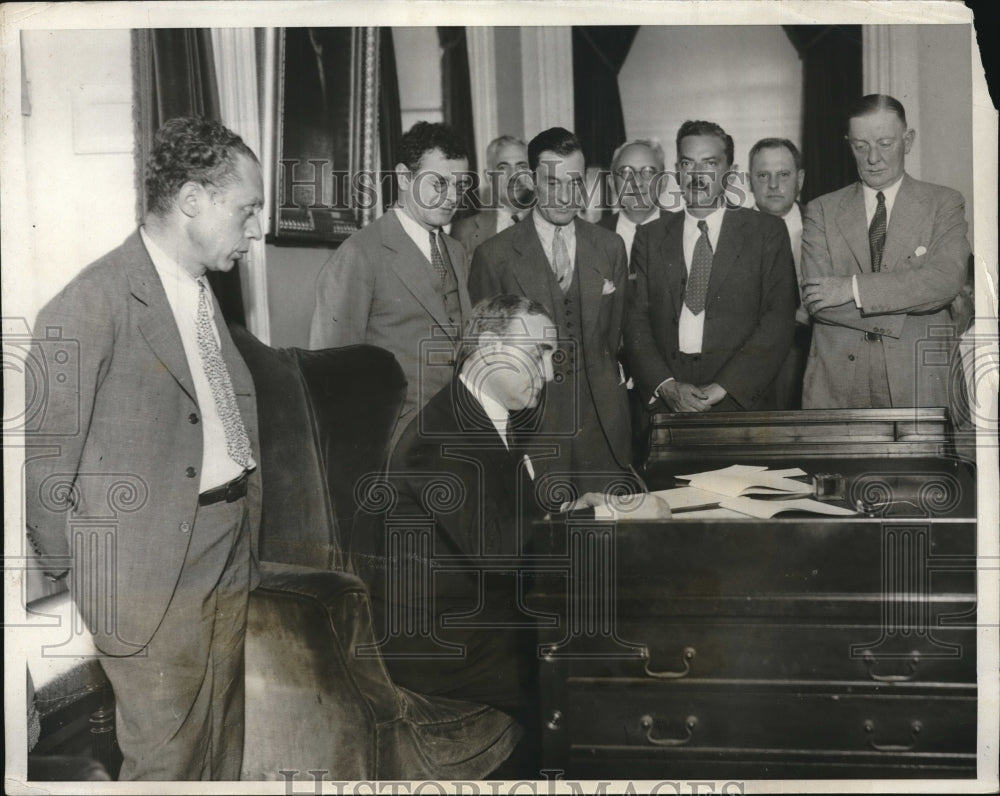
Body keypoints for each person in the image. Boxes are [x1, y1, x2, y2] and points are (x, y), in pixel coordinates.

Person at [24, 117, 264, 780]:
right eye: (245, 211)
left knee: (221, 749)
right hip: (147, 579)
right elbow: (47, 471)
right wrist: (100, 588)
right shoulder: (87, 305)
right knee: (166, 763)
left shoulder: (200, 290)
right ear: (193, 200)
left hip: (226, 543)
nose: (255, 229)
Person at [365, 294, 669, 774]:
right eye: (538, 354)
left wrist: (573, 507)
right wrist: (610, 518)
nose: (548, 372)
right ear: (488, 347)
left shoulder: (488, 414)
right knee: (605, 668)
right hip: (445, 646)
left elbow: (511, 521)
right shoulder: (439, 438)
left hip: (486, 619)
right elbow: (502, 550)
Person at [468, 127, 633, 493]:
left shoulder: (611, 247)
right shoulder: (493, 256)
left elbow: (615, 333)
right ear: (530, 181)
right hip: (533, 432)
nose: (564, 196)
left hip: (604, 431)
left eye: (574, 182)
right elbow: (485, 360)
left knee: (612, 541)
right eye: (552, 183)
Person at [800, 94, 972, 409]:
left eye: (885, 143)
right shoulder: (821, 210)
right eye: (860, 145)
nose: (873, 158)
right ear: (848, 143)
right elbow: (818, 301)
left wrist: (850, 288)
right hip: (836, 387)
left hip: (920, 382)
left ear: (908, 141)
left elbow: (945, 282)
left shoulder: (943, 204)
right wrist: (911, 304)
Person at [309, 121, 473, 447]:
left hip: (455, 437)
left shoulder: (456, 251)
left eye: (460, 185)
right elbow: (330, 373)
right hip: (392, 446)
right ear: (402, 176)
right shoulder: (360, 253)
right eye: (438, 183)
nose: (452, 196)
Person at [625, 119, 797, 414]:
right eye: (688, 164)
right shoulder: (649, 237)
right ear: (677, 172)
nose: (697, 175)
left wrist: (725, 387)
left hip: (740, 399)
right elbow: (635, 321)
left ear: (729, 174)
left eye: (710, 163)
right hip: (668, 402)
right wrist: (665, 385)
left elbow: (778, 320)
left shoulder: (766, 233)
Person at [748, 137, 810, 409]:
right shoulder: (729, 232)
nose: (773, 185)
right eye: (763, 175)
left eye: (783, 174)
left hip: (811, 358)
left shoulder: (826, 225)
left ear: (800, 178)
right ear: (749, 180)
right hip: (750, 363)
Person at [451, 135, 533, 256]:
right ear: (489, 177)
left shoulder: (551, 224)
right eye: (503, 168)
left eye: (522, 167)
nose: (514, 175)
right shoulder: (465, 232)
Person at [599, 138, 666, 268]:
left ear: (663, 182)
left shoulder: (685, 232)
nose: (637, 183)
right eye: (626, 172)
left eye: (648, 172)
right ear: (612, 183)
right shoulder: (591, 238)